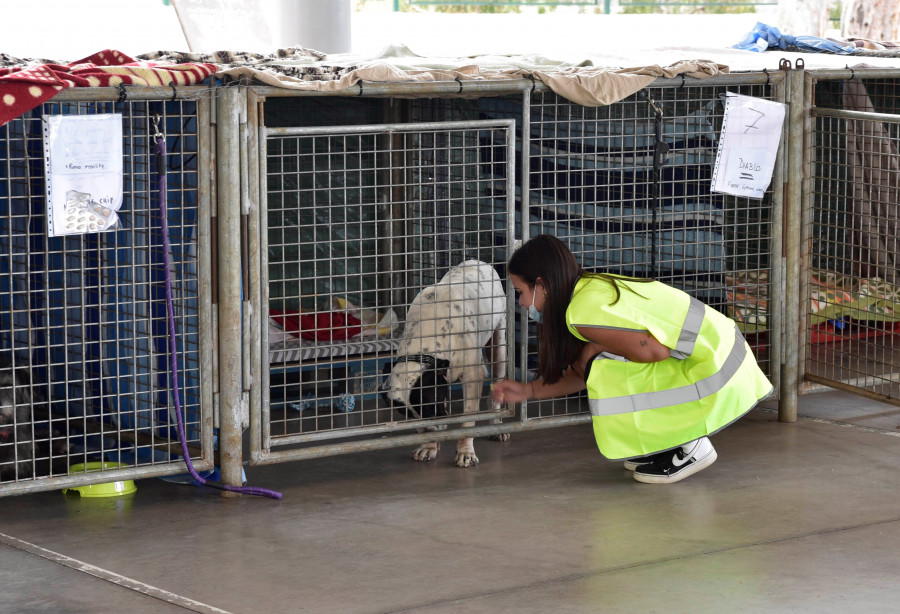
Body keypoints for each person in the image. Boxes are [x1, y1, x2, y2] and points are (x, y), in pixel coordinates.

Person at [492, 234, 773, 484]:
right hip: (725, 357)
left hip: (716, 370)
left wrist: (592, 350)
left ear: (542, 285)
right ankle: (668, 443)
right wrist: (528, 390)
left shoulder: (580, 312)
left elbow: (654, 352)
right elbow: (580, 372)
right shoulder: (588, 288)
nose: (521, 303)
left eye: (521, 292)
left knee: (601, 364)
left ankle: (691, 445)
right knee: (596, 360)